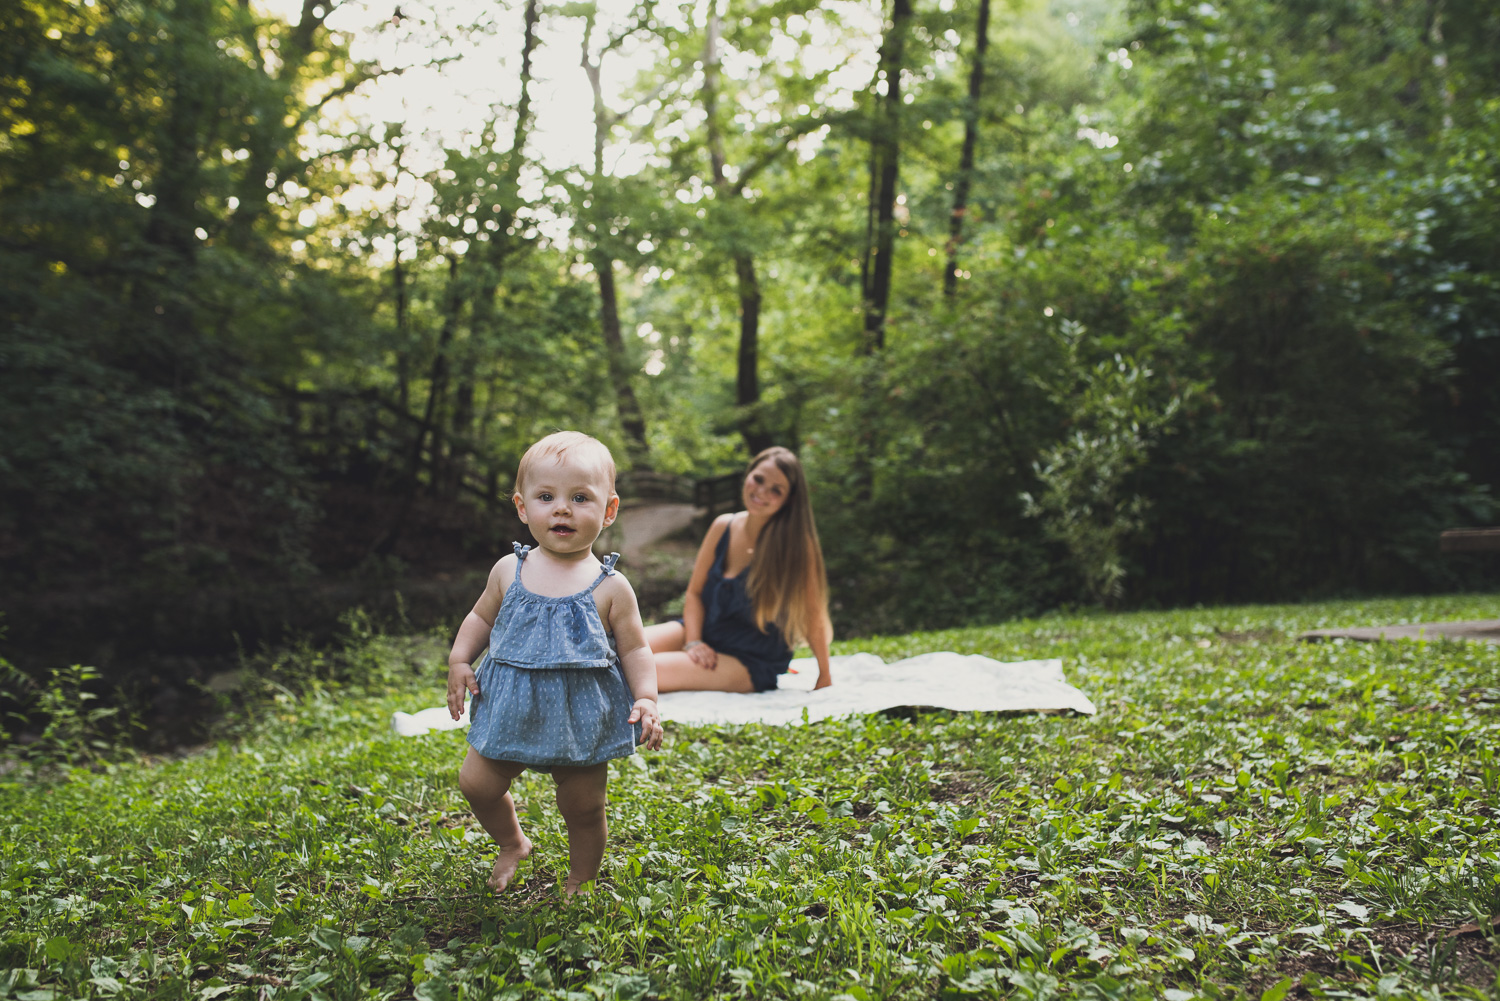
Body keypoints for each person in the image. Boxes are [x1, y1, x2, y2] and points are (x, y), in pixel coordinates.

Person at [445, 431, 664, 896]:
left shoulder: (611, 586)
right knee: (477, 783)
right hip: (510, 707)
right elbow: (480, 616)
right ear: (523, 508)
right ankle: (512, 842)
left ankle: (581, 878)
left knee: (584, 805)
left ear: (608, 511)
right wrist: (461, 658)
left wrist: (646, 696)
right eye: (546, 497)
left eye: (580, 498)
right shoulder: (509, 569)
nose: (561, 509)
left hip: (581, 716)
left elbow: (635, 648)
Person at [645, 446, 833, 694]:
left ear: (789, 500)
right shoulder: (723, 525)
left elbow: (812, 612)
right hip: (701, 631)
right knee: (616, 647)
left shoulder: (795, 545)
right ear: (748, 474)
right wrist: (693, 641)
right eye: (758, 479)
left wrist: (824, 674)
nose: (761, 492)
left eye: (776, 490)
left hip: (748, 658)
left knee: (644, 670)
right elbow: (695, 594)